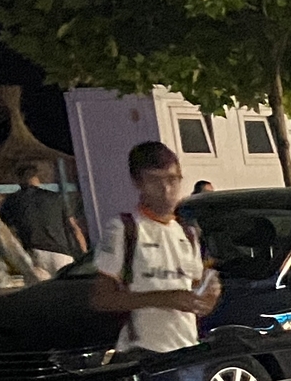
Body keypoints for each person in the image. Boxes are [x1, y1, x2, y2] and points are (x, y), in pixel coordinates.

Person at [89, 140, 218, 358]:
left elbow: (196, 288)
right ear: (137, 183)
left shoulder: (188, 233)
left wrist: (209, 296)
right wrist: (164, 299)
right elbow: (101, 298)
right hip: (143, 353)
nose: (166, 190)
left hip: (187, 349)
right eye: (154, 181)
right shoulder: (124, 228)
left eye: (172, 180)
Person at [1, 160, 85, 271]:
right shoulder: (56, 198)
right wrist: (84, 256)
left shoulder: (12, 201)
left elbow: (5, 230)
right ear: (37, 178)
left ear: (18, 179)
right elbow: (75, 229)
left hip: (34, 254)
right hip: (62, 254)